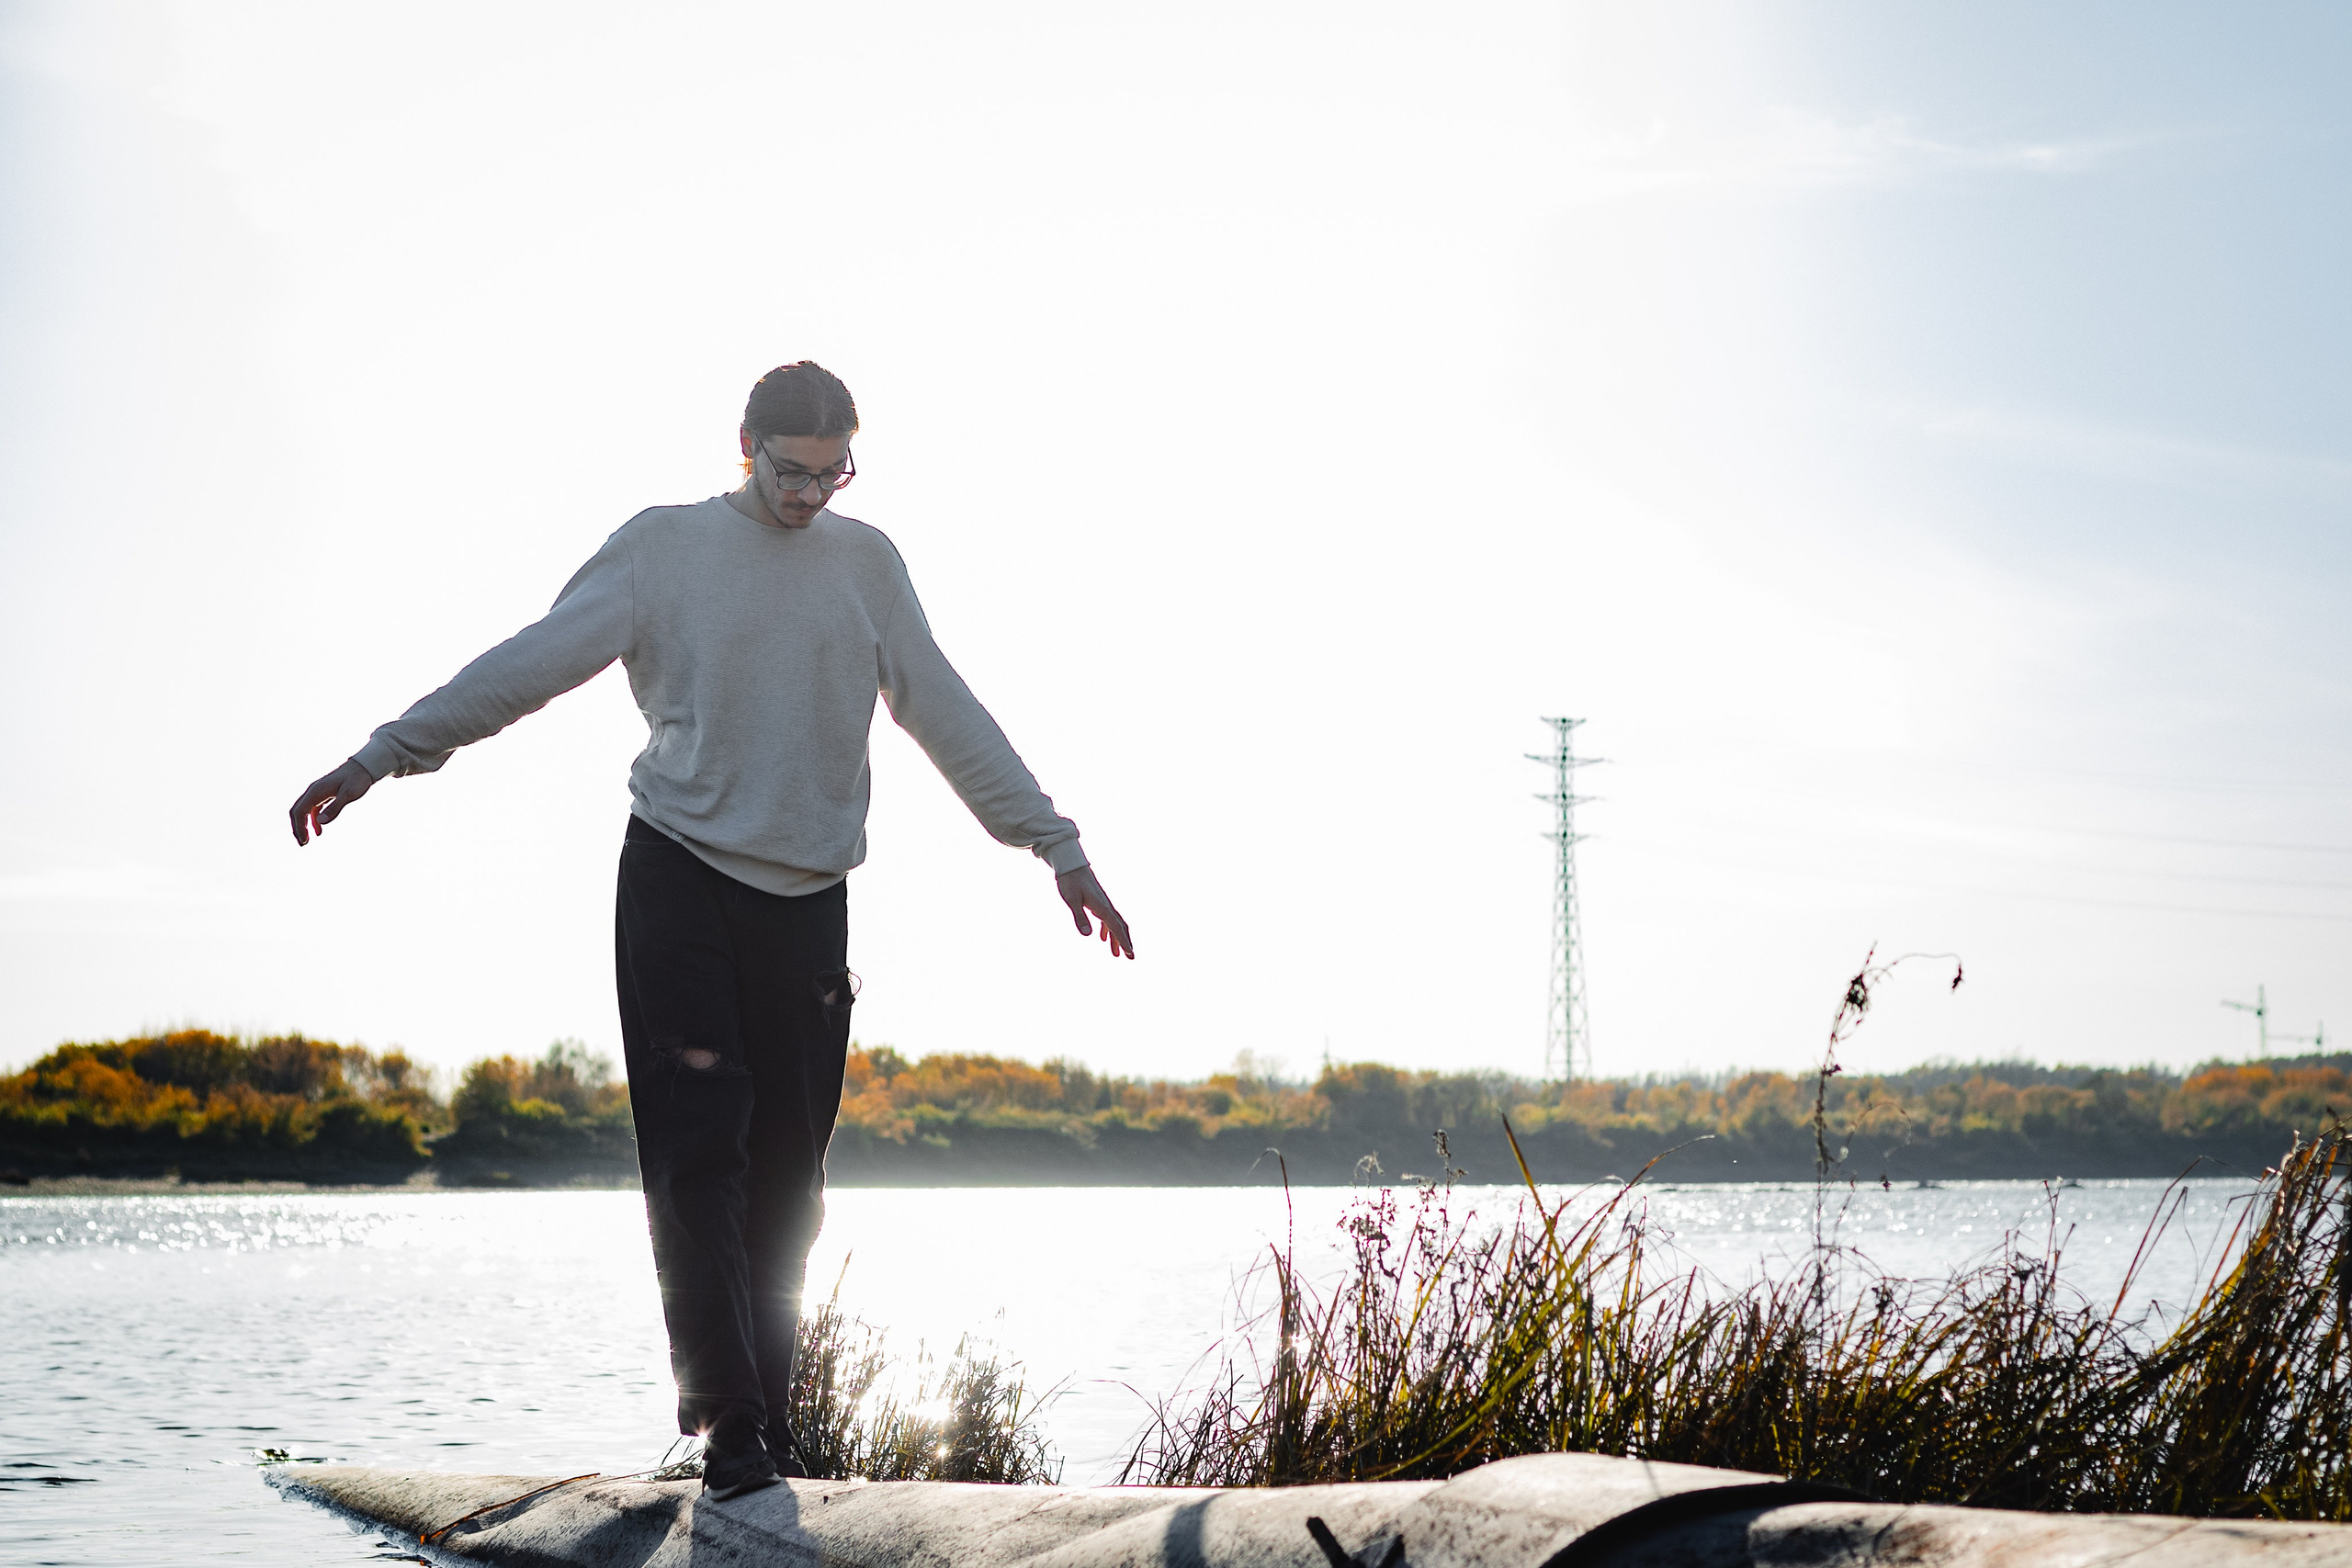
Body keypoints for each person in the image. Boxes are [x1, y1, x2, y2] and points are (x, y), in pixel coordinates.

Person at [288, 361, 1134, 1499]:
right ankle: (729, 1423)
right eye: (792, 473)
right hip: (678, 877)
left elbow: (945, 709)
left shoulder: (867, 566)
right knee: (698, 1152)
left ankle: (768, 1431)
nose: (810, 496)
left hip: (809, 903)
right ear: (745, 447)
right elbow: (529, 665)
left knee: (790, 1183)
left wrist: (1054, 845)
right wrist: (383, 754)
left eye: (834, 473)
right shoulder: (664, 548)